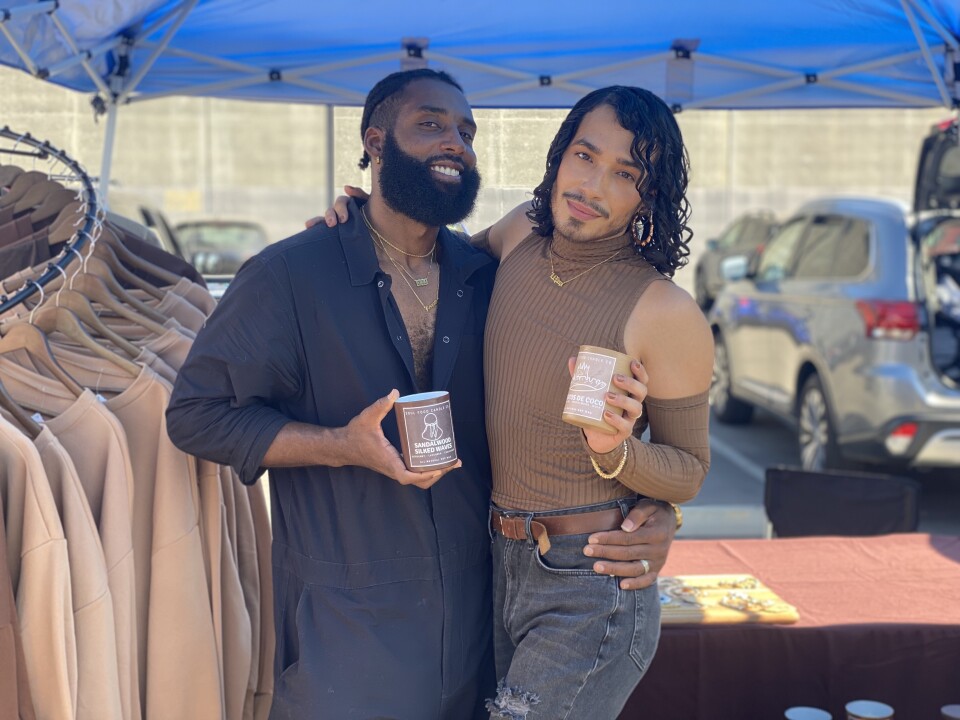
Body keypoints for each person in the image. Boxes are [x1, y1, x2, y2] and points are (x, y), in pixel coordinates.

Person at [166, 69, 677, 720]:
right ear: (374, 141)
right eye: (430, 124)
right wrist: (341, 446)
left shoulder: (489, 275)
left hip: (482, 637)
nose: (455, 143)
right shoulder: (291, 275)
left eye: (466, 132)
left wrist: (655, 512)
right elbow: (196, 416)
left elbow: (638, 404)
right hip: (346, 648)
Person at [320, 85, 712, 719]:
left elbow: (690, 467)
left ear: (650, 194)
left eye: (625, 173)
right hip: (496, 564)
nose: (593, 185)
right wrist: (370, 216)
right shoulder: (520, 233)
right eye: (584, 156)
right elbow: (427, 265)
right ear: (559, 156)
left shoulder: (665, 311)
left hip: (588, 584)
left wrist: (617, 456)